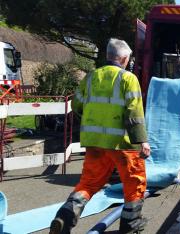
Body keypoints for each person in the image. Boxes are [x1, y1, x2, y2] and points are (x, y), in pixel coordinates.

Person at [49, 38, 151, 234]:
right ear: (123, 58)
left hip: (95, 143)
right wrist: (142, 141)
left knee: (88, 183)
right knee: (134, 183)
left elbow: (76, 106)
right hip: (123, 145)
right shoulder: (128, 79)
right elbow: (134, 113)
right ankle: (130, 224)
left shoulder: (90, 77)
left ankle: (64, 217)